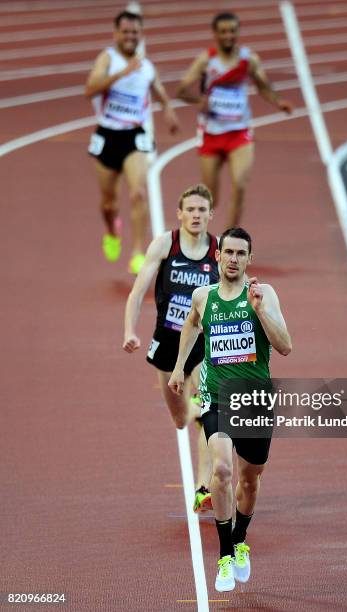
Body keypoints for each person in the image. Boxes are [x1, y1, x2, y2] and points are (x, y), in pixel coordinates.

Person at [168, 227, 292, 592]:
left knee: (249, 480)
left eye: (241, 253)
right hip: (217, 397)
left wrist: (260, 312)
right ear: (217, 256)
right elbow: (191, 325)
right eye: (228, 252)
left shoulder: (263, 294)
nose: (234, 259)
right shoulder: (203, 297)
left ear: (249, 258)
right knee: (221, 470)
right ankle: (224, 555)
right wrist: (178, 367)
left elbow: (285, 346)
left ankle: (239, 540)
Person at [123, 184, 219, 512]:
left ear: (210, 215)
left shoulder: (219, 251)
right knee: (181, 419)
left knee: (207, 410)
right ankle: (194, 410)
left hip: (205, 343)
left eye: (202, 210)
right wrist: (129, 331)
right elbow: (137, 293)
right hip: (167, 340)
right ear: (180, 213)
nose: (196, 215)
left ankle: (203, 487)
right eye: (190, 210)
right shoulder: (166, 244)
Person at [176, 12, 293, 229]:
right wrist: (199, 100)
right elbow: (181, 91)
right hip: (211, 133)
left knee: (239, 185)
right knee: (210, 198)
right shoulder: (207, 60)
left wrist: (278, 102)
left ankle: (228, 243)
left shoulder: (248, 60)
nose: (228, 36)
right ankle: (199, 240)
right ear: (215, 34)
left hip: (239, 132)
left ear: (238, 32)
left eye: (232, 31)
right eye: (223, 32)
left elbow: (263, 86)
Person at [85, 10, 179, 275]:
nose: (130, 36)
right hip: (107, 135)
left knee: (138, 193)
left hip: (134, 136)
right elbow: (90, 89)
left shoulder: (147, 66)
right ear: (116, 34)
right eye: (125, 32)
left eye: (135, 32)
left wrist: (169, 110)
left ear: (141, 35)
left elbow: (159, 92)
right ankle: (111, 229)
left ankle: (138, 252)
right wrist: (122, 73)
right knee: (108, 203)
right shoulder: (108, 59)